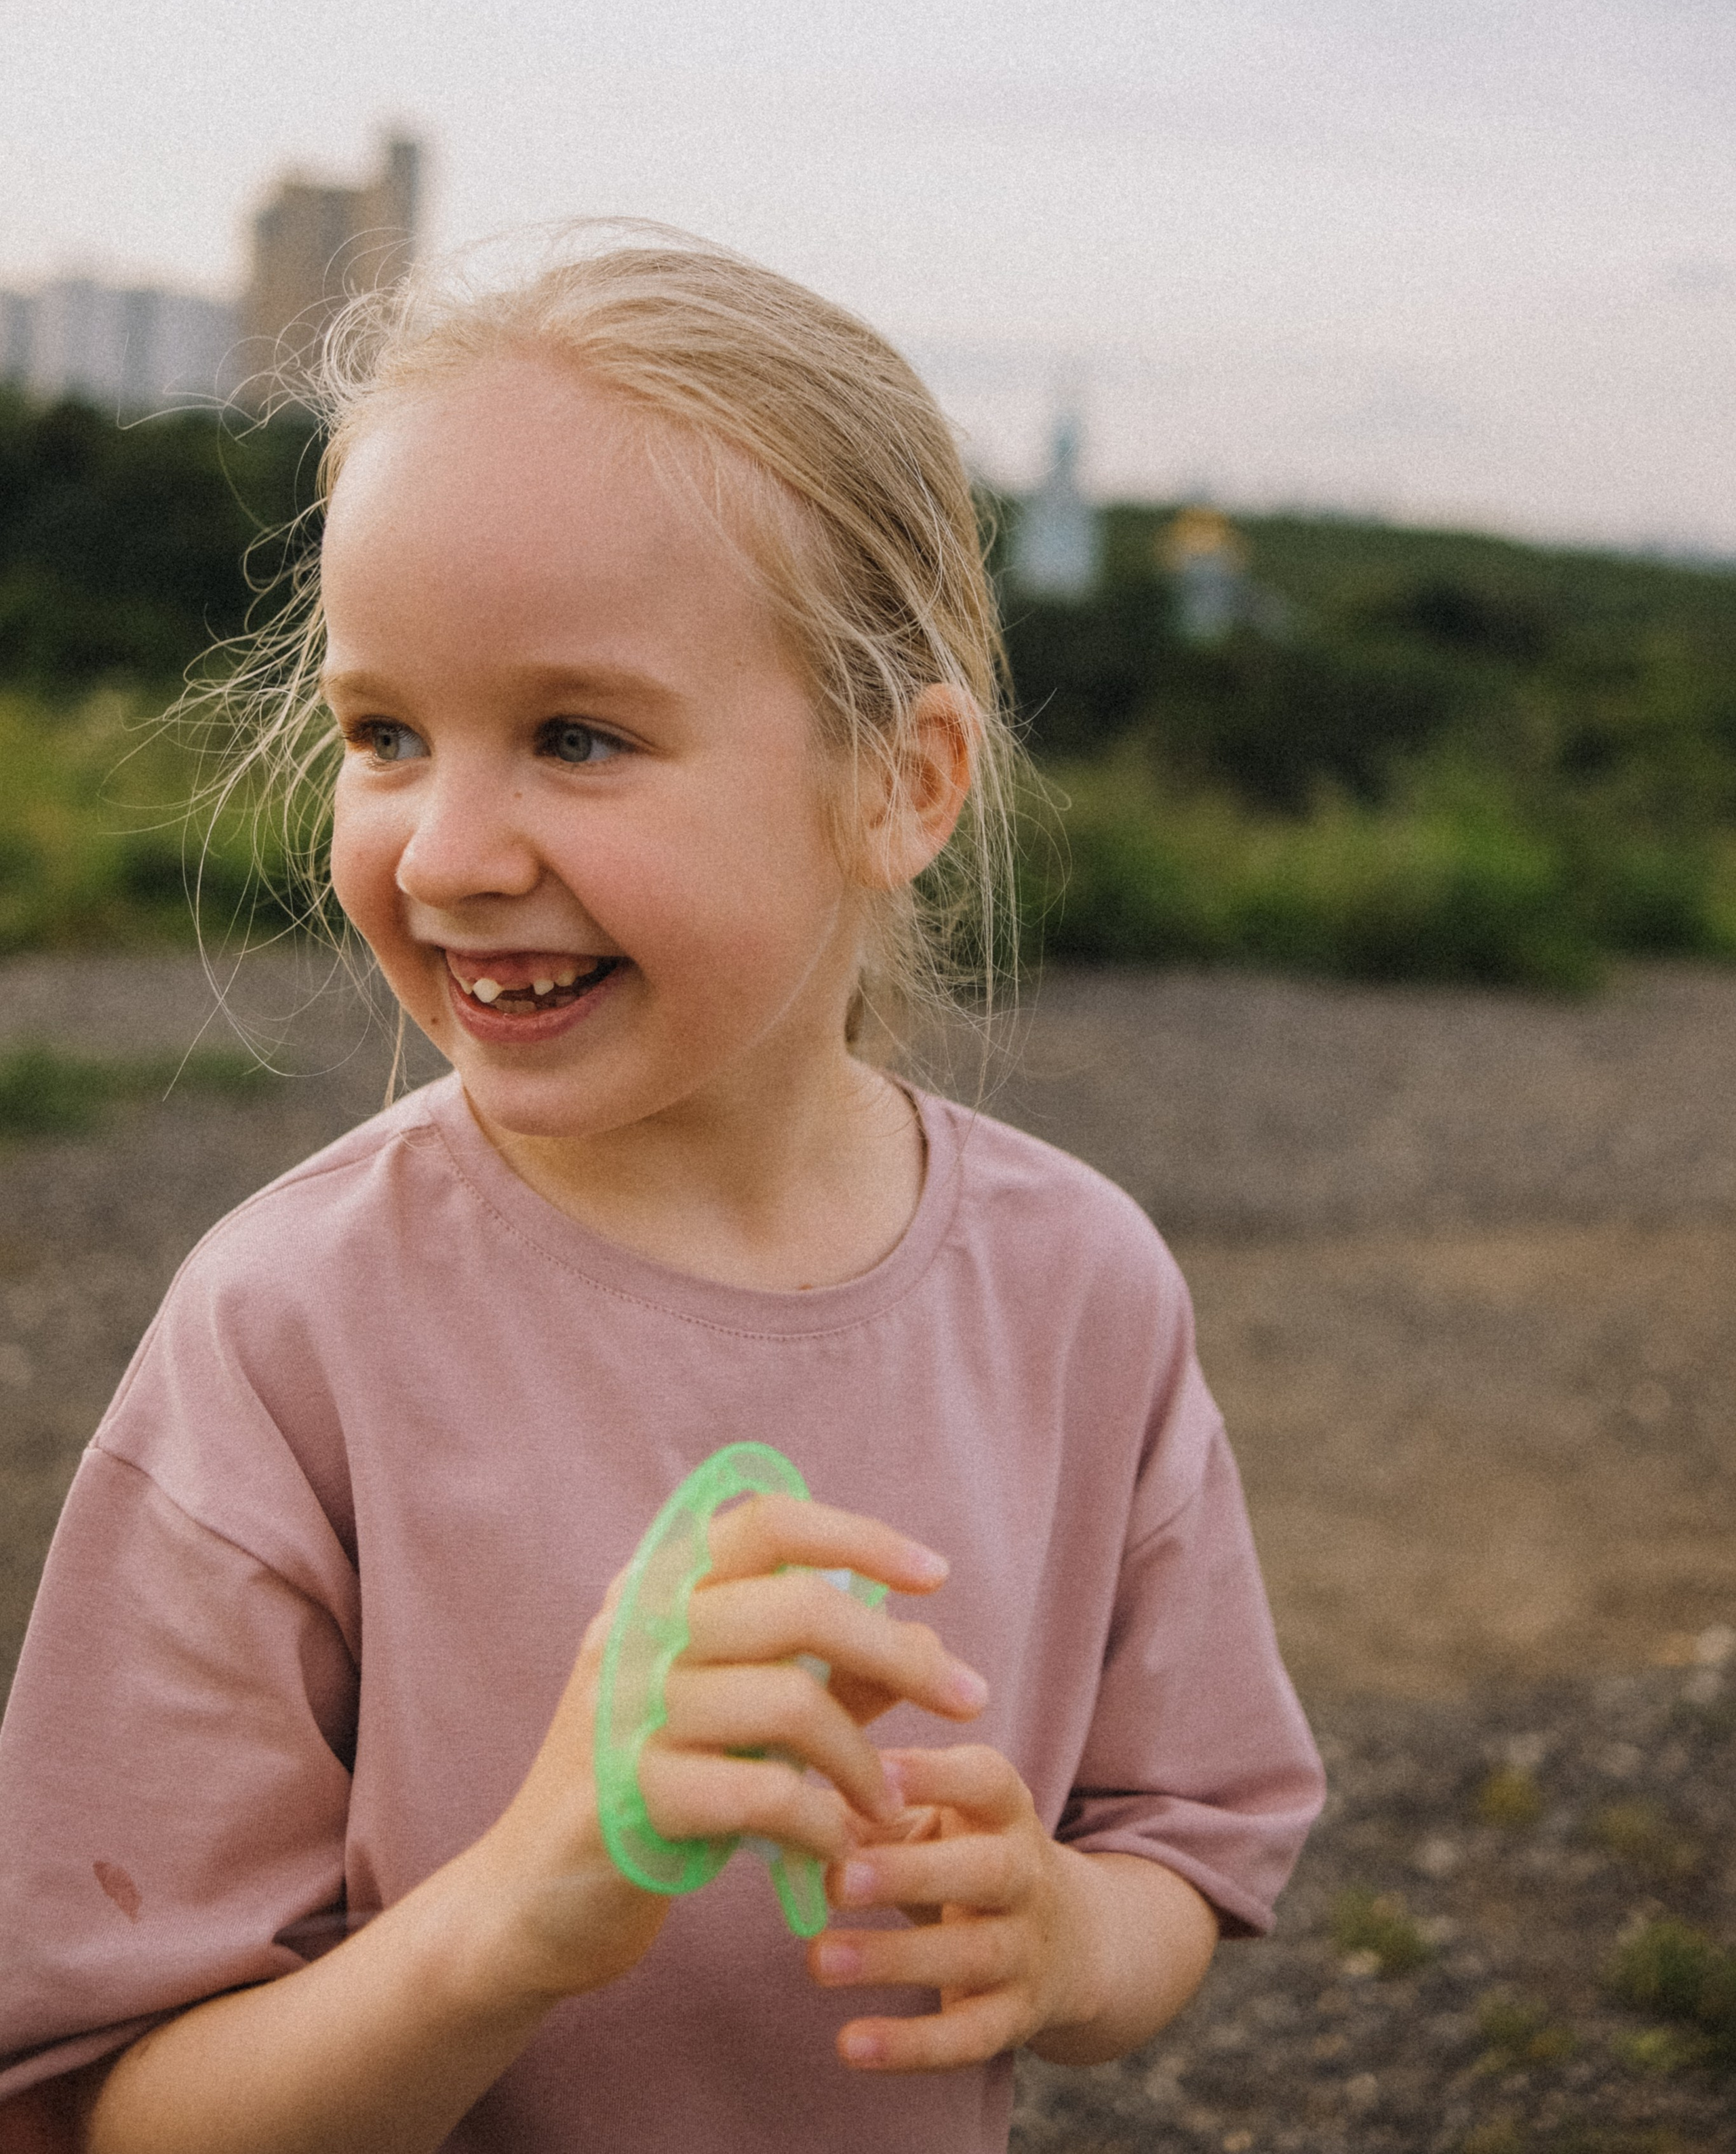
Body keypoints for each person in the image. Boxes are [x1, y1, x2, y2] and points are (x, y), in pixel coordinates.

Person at [0, 232, 1324, 2154]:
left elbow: (1180, 1860)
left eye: (578, 736)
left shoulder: (1082, 1290)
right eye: (384, 733)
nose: (444, 851)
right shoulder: (289, 1327)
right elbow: (127, 2110)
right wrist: (520, 1916)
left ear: (904, 782)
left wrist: (1062, 1937)